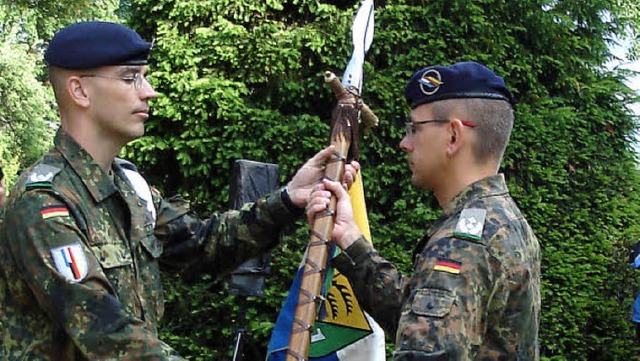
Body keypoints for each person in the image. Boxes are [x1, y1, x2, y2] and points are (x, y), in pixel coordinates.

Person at [0, 21, 359, 360]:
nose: (149, 91)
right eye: (131, 79)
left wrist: (288, 199)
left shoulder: (128, 186)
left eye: (145, 77)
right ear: (79, 90)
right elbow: (105, 330)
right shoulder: (45, 202)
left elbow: (201, 244)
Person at [307, 61, 541, 360]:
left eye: (414, 128)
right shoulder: (504, 219)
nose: (405, 143)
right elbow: (421, 323)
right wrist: (351, 240)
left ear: (454, 136)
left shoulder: (461, 244)